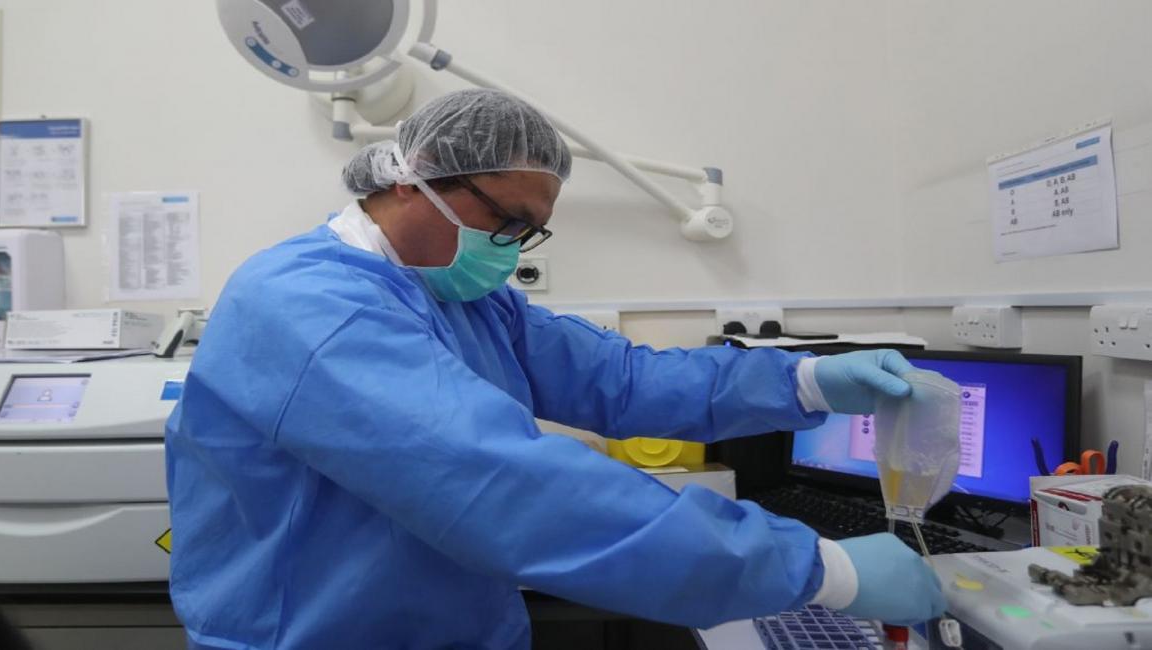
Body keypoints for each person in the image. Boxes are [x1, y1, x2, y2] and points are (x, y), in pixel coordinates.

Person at [165, 88, 944, 649]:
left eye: (527, 232)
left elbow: (623, 379)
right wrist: (818, 569)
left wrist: (803, 380)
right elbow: (500, 482)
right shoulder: (308, 303)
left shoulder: (464, 299)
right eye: (504, 220)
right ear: (412, 178)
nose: (508, 248)